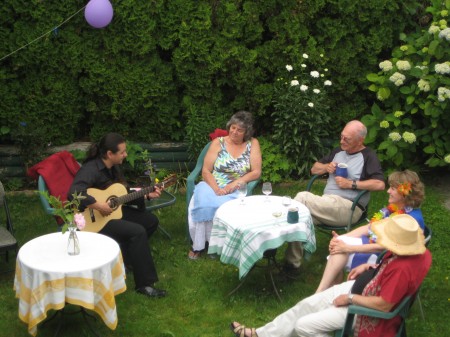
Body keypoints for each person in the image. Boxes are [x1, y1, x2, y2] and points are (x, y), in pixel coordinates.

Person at [230, 213, 432, 337]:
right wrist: (369, 269)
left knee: (304, 327)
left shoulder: (403, 269)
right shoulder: (420, 253)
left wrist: (350, 298)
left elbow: (384, 305)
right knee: (307, 305)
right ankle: (260, 334)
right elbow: (390, 270)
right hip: (363, 288)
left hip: (365, 312)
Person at [68, 133, 166, 298]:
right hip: (95, 221)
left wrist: (147, 195)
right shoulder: (91, 169)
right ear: (109, 154)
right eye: (122, 152)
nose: (125, 155)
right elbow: (73, 192)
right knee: (137, 231)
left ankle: (128, 258)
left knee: (150, 221)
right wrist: (98, 205)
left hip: (112, 213)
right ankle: (144, 284)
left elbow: (121, 194)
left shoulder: (113, 168)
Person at [285, 120, 385, 273]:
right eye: (341, 137)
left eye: (347, 139)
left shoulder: (368, 156)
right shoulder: (338, 152)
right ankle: (292, 265)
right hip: (327, 204)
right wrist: (326, 167)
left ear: (360, 140)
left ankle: (278, 237)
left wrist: (351, 184)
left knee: (302, 198)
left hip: (349, 207)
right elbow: (314, 169)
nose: (342, 141)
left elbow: (380, 184)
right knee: (300, 216)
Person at [316, 169, 425, 292]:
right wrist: (340, 238)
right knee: (339, 245)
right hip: (371, 244)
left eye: (393, 189)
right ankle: (329, 292)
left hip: (384, 258)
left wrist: (348, 248)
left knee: (339, 251)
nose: (388, 191)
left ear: (405, 193)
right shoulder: (393, 209)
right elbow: (370, 228)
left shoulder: (409, 220)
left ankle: (323, 292)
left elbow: (385, 247)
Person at [188, 111, 262, 259]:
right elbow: (206, 171)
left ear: (246, 132)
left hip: (237, 187)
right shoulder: (218, 143)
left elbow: (256, 172)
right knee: (203, 204)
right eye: (233, 127)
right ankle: (199, 244)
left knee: (226, 208)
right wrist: (216, 189)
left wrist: (235, 184)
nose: (234, 132)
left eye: (239, 130)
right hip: (212, 184)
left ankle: (221, 245)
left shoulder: (252, 144)